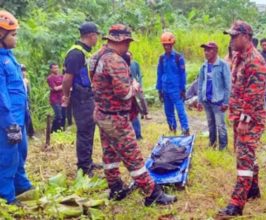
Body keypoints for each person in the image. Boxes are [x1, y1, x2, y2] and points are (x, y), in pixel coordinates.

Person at [90, 24, 177, 205]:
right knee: (133, 156)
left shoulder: (97, 56)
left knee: (110, 153)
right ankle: (152, 193)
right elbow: (123, 92)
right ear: (120, 41)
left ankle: (115, 187)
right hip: (116, 117)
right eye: (128, 42)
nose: (129, 46)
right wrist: (134, 87)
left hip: (101, 113)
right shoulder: (115, 60)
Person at [218, 20, 266, 217]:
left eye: (234, 36)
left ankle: (236, 204)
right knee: (245, 154)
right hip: (238, 115)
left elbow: (254, 95)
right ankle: (253, 189)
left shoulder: (255, 61)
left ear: (246, 37)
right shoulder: (239, 57)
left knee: (243, 160)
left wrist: (245, 121)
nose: (230, 40)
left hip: (249, 119)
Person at [0, 10, 33, 204]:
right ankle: (6, 196)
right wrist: (9, 123)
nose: (16, 38)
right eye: (13, 34)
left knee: (21, 153)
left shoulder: (9, 56)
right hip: (8, 120)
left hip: (20, 117)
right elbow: (1, 96)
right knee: (7, 158)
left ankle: (21, 185)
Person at [62, 22, 100, 176]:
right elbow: (66, 79)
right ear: (91, 36)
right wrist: (66, 96)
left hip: (87, 96)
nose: (97, 38)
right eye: (96, 35)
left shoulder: (83, 52)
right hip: (81, 98)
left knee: (89, 129)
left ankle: (88, 162)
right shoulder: (76, 54)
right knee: (84, 131)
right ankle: (84, 167)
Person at [196, 42, 231, 150]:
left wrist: (225, 102)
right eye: (205, 50)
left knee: (220, 125)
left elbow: (228, 85)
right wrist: (199, 100)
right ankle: (212, 143)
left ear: (215, 51)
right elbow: (200, 83)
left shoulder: (223, 65)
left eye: (209, 50)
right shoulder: (204, 66)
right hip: (207, 100)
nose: (206, 52)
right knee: (210, 124)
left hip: (218, 101)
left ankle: (223, 147)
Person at [156, 32, 190, 135]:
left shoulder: (178, 57)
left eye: (168, 45)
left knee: (180, 110)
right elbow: (159, 73)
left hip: (176, 89)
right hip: (165, 89)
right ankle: (172, 128)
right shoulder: (162, 58)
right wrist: (159, 89)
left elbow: (182, 74)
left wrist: (183, 89)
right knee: (168, 111)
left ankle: (185, 129)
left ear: (172, 44)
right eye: (164, 45)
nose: (166, 47)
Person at [47, 63, 65, 133]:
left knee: (62, 116)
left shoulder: (61, 76)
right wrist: (64, 85)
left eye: (57, 67)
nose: (56, 69)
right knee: (58, 116)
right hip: (54, 100)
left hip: (62, 99)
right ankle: (52, 131)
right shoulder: (50, 78)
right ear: (51, 69)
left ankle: (60, 131)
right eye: (54, 68)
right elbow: (55, 88)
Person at [21, 65, 35, 138]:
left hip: (26, 101)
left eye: (24, 71)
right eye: (22, 70)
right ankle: (26, 134)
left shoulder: (26, 80)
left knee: (28, 117)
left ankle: (31, 134)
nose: (23, 72)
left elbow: (28, 92)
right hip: (20, 102)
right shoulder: (17, 80)